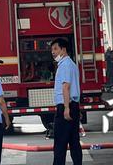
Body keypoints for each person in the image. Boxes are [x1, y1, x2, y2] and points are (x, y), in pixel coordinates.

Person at [51, 37, 82, 165]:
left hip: (66, 107)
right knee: (74, 141)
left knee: (60, 143)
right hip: (73, 105)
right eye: (51, 49)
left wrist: (66, 108)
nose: (53, 52)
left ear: (63, 49)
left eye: (55, 49)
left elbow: (66, 86)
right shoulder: (72, 64)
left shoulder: (64, 65)